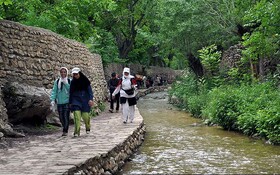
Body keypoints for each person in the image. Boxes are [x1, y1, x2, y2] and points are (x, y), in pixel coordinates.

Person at [69, 67, 94, 137]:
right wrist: (70, 102)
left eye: (76, 74)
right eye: (74, 74)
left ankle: (88, 127)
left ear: (79, 73)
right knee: (77, 116)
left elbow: (90, 92)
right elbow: (71, 93)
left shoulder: (85, 81)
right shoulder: (73, 83)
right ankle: (76, 132)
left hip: (85, 101)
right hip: (76, 101)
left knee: (86, 117)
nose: (75, 76)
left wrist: (90, 99)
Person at [50, 67, 71, 136]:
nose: (63, 73)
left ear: (66, 73)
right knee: (61, 117)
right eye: (61, 72)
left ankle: (65, 130)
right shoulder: (57, 81)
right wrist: (52, 99)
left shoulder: (69, 81)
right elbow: (54, 91)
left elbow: (71, 90)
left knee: (65, 116)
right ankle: (64, 127)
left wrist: (66, 84)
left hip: (67, 102)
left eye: (64, 72)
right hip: (59, 102)